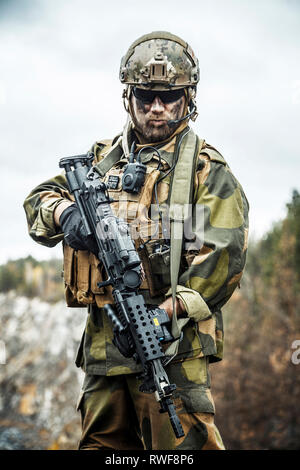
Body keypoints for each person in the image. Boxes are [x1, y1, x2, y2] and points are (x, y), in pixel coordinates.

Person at [23, 31, 249, 450]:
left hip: (172, 349)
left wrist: (169, 311)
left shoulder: (205, 170)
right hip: (106, 352)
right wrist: (67, 213)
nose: (157, 108)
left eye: (170, 97)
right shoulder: (100, 160)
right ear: (128, 97)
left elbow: (224, 256)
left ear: (189, 98)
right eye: (145, 97)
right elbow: (38, 200)